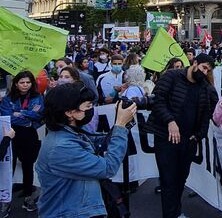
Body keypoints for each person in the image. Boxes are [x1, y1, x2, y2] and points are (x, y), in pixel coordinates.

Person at [35, 81, 137, 218]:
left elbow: (99, 143)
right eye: (88, 106)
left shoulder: (70, 132)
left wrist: (121, 124)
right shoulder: (62, 147)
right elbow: (108, 168)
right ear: (70, 112)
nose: (92, 110)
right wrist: (119, 125)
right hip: (69, 213)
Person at [143, 54, 218, 218]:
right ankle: (171, 215)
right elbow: (158, 100)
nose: (205, 72)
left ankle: (176, 212)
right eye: (204, 67)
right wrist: (170, 121)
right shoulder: (172, 76)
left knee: (180, 180)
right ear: (195, 63)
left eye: (209, 70)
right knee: (168, 180)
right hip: (166, 138)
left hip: (188, 141)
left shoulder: (205, 87)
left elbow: (207, 113)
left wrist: (199, 135)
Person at [0, 71, 44, 212]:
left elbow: (38, 115)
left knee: (27, 166)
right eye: (22, 82)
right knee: (7, 167)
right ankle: (5, 200)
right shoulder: (8, 98)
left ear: (32, 84)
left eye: (28, 82)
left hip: (29, 135)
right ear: (16, 84)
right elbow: (7, 117)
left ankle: (28, 197)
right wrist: (26, 116)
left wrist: (20, 113)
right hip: (11, 135)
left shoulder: (37, 97)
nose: (25, 85)